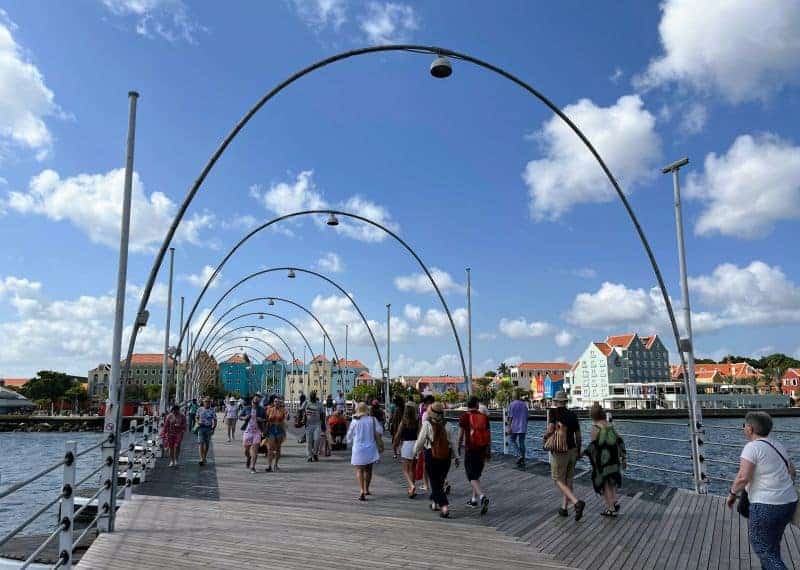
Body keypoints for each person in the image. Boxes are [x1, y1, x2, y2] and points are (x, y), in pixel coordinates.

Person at [727, 411, 798, 569]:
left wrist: (732, 494)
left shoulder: (751, 448)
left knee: (762, 547)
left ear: (750, 429)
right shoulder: (777, 444)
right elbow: (792, 472)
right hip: (788, 503)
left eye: (744, 426)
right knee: (772, 547)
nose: (744, 428)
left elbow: (743, 477)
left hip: (766, 506)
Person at [543, 390, 585, 521]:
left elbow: (550, 429)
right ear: (565, 402)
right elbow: (578, 435)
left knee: (557, 479)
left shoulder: (553, 412)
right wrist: (578, 450)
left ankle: (576, 502)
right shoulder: (573, 414)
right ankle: (564, 508)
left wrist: (545, 438)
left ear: (556, 401)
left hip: (560, 451)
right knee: (569, 480)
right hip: (572, 449)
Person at [414, 402, 459, 518]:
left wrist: (415, 452)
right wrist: (457, 457)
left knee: (435, 482)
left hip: (431, 455)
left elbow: (420, 441)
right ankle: (434, 503)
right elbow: (453, 442)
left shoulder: (427, 424)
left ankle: (444, 507)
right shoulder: (448, 424)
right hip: (446, 456)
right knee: (439, 481)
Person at [584, 403, 627, 517]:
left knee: (605, 484)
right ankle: (614, 501)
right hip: (614, 458)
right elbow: (620, 440)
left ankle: (611, 509)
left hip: (603, 461)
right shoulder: (609, 425)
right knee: (612, 482)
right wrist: (624, 457)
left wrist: (582, 454)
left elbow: (593, 446)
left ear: (592, 415)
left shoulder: (595, 428)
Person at [458, 396, 492, 514]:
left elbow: (461, 435)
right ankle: (473, 500)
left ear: (467, 405)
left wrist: (458, 448)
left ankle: (482, 497)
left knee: (471, 476)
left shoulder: (464, 417)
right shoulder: (484, 417)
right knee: (476, 475)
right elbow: (489, 435)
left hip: (470, 449)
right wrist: (488, 450)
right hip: (482, 449)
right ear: (477, 405)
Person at [347, 402, 383, 501]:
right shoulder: (372, 420)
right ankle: (367, 489)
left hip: (358, 448)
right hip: (370, 447)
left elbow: (349, 435)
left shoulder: (355, 421)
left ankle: (362, 490)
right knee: (368, 470)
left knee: (359, 470)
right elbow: (380, 431)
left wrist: (349, 440)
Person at [392, 402, 420, 498]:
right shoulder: (417, 420)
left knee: (405, 469)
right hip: (415, 444)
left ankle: (411, 486)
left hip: (407, 445)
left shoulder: (404, 421)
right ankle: (411, 490)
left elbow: (398, 435)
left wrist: (394, 446)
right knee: (412, 468)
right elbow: (420, 433)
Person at [240, 395, 267, 474]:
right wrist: (244, 418)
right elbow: (240, 416)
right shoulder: (247, 408)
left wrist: (261, 419)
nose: (256, 400)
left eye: (258, 399)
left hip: (257, 432)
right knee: (246, 450)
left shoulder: (261, 410)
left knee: (255, 451)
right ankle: (248, 457)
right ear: (252, 400)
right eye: (255, 398)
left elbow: (266, 419)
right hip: (248, 431)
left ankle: (253, 467)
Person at [415, 395, 435, 491]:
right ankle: (444, 482)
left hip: (427, 444)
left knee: (425, 464)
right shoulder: (439, 414)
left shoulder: (425, 414)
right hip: (438, 443)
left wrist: (417, 448)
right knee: (436, 464)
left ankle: (426, 484)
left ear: (427, 404)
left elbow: (423, 431)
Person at [265, 397, 287, 472]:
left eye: (278, 401)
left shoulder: (283, 410)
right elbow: (266, 419)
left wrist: (287, 416)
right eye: (275, 401)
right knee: (270, 448)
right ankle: (269, 465)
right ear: (273, 402)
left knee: (278, 448)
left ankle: (276, 465)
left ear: (280, 403)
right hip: (271, 429)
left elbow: (287, 418)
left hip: (280, 429)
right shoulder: (270, 409)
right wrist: (265, 429)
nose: (276, 403)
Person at [507, 390, 528, 467]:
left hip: (514, 426)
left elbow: (510, 417)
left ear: (513, 397)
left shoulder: (511, 404)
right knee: (522, 442)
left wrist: (509, 427)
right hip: (523, 426)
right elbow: (527, 416)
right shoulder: (524, 404)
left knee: (512, 440)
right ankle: (523, 458)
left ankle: (519, 455)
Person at [304, 391, 325, 462]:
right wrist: (302, 420)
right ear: (310, 396)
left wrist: (323, 424)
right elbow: (301, 410)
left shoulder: (319, 404)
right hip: (308, 424)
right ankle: (309, 456)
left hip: (317, 424)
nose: (312, 397)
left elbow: (322, 414)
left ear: (315, 396)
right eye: (311, 396)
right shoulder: (306, 403)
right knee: (309, 441)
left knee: (317, 439)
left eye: (313, 396)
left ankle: (315, 453)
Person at [195, 397, 217, 466]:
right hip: (201, 428)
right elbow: (196, 417)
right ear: (203, 402)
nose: (207, 403)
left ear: (210, 403)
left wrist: (213, 428)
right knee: (201, 443)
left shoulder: (212, 410)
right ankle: (201, 458)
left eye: (208, 402)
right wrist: (198, 422)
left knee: (207, 444)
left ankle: (205, 456)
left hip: (208, 428)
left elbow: (215, 419)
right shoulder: (199, 409)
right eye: (206, 401)